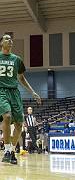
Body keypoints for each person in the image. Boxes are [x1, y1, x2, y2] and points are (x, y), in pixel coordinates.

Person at [0, 34, 41, 164]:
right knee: (6, 116)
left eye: (11, 39)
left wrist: (33, 92)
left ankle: (12, 152)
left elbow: (21, 78)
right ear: (1, 43)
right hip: (1, 91)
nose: (9, 40)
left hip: (15, 92)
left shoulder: (17, 59)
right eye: (6, 38)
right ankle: (6, 150)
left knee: (19, 124)